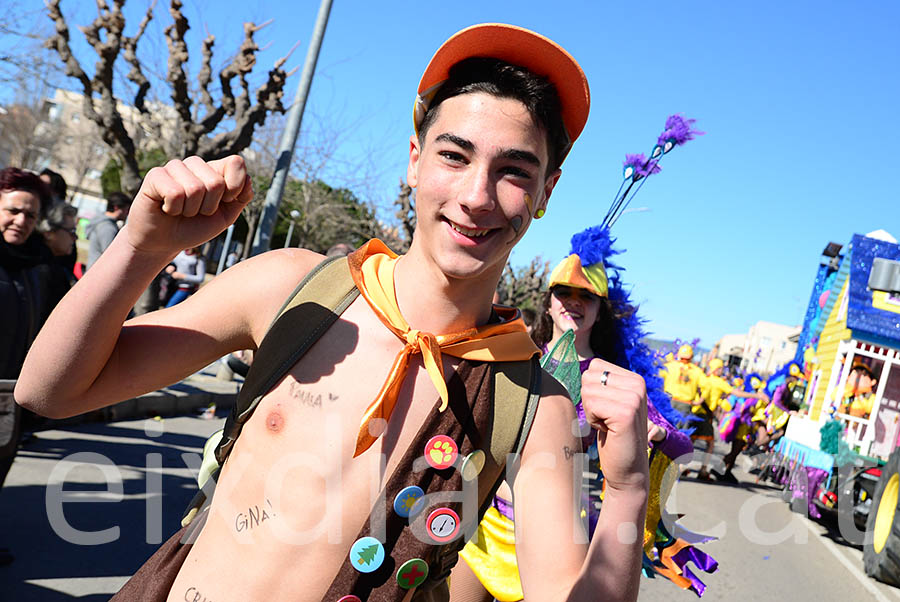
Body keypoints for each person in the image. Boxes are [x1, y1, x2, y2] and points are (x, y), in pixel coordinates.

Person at [17, 24, 649, 601]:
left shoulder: (537, 406)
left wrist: (625, 491)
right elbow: (48, 391)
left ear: (547, 191)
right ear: (413, 159)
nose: (476, 196)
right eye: (454, 156)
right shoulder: (292, 288)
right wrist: (140, 248)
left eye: (514, 171)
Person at [453, 226, 699, 601]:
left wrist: (658, 434)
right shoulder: (514, 354)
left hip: (558, 542)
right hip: (487, 524)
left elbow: (682, 446)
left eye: (587, 295)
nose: (573, 302)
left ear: (601, 310)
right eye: (564, 292)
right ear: (549, 300)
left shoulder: (614, 377)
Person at [0, 167, 70, 565]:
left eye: (29, 214)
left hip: (11, 393)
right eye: (13, 210)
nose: (20, 220)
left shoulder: (39, 265)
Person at [85, 191, 130, 269]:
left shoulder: (103, 223)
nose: (128, 213)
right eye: (127, 209)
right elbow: (111, 256)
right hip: (99, 274)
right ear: (116, 208)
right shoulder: (107, 228)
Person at [37, 202, 80, 283]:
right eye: (71, 231)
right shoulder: (38, 271)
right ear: (49, 233)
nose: (75, 238)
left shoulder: (57, 265)